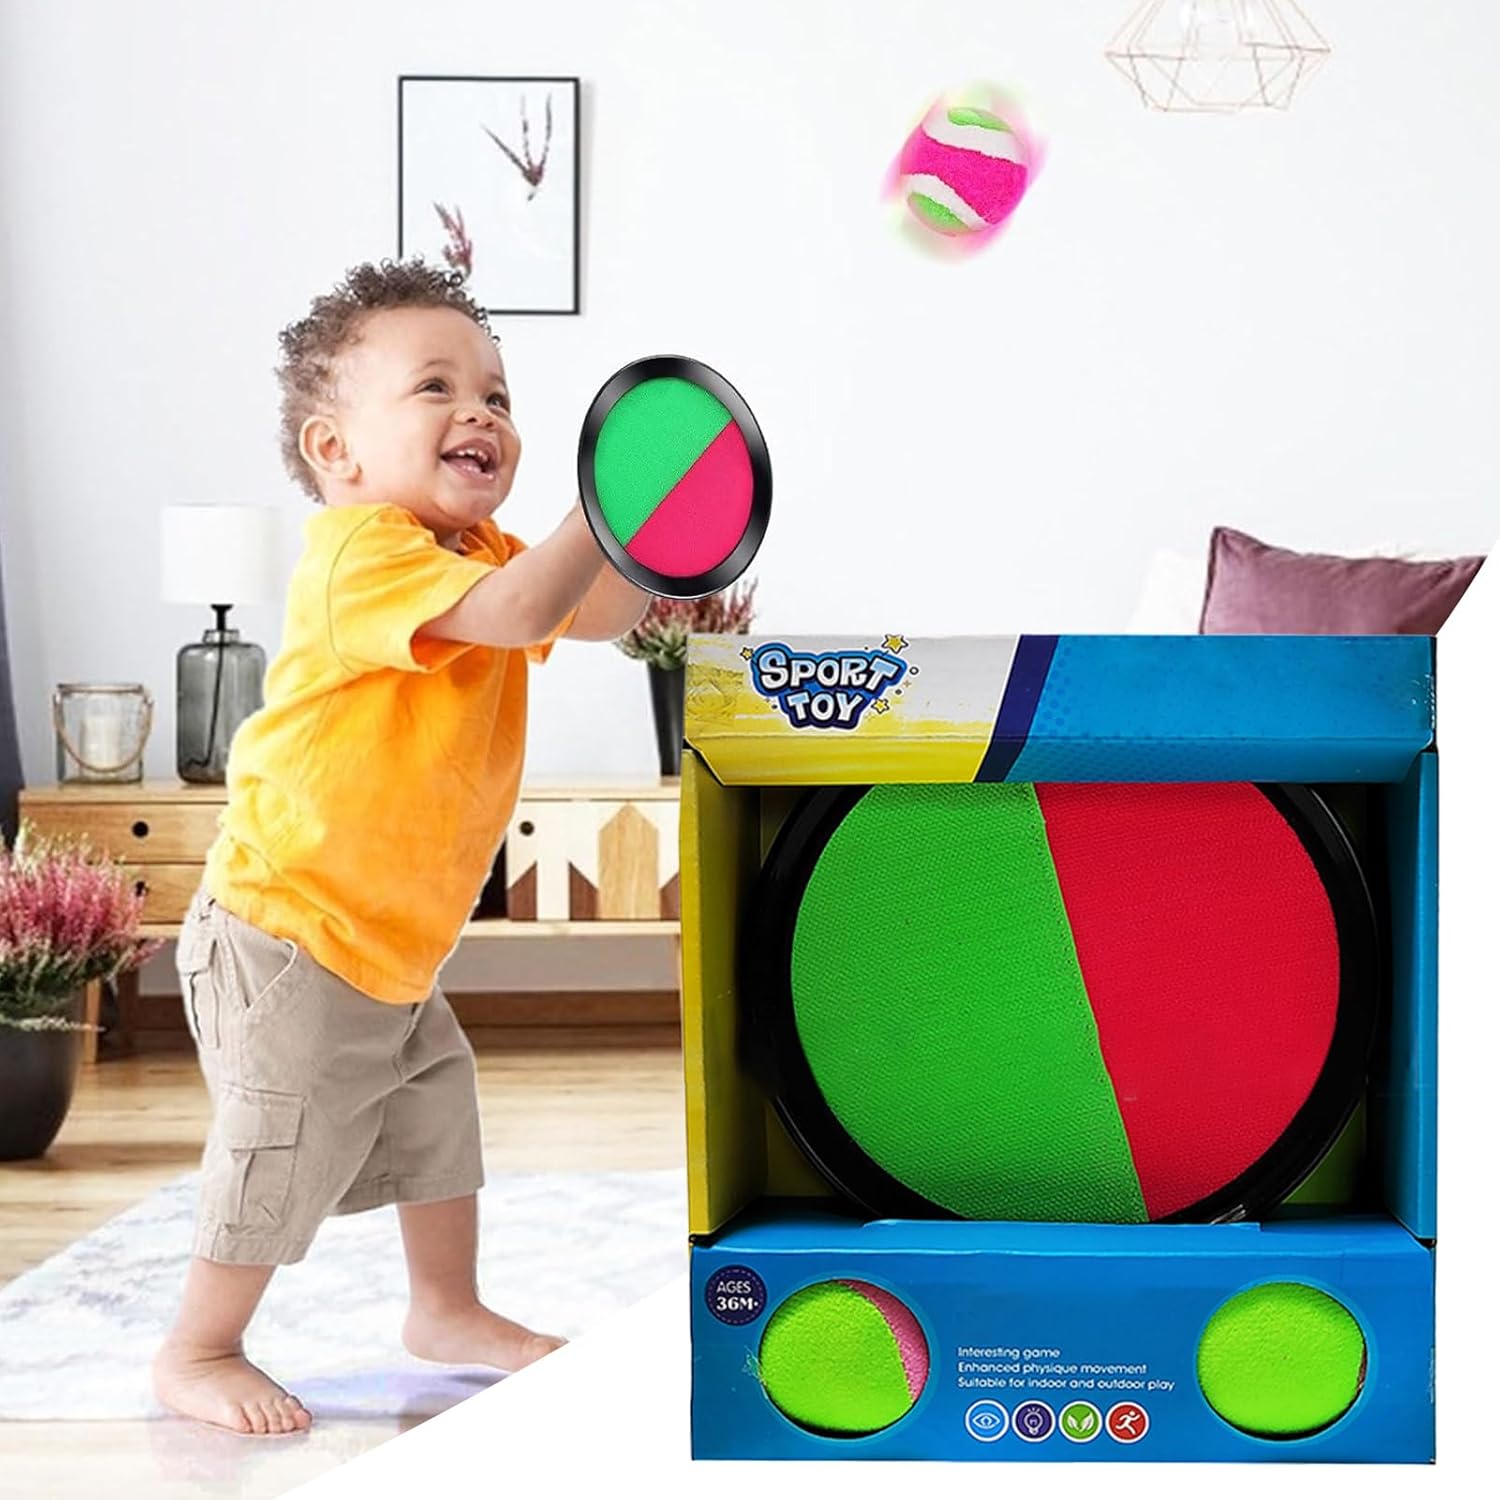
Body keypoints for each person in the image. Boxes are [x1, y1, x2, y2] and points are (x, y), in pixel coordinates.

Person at [152, 260, 649, 1435]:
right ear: (337, 450)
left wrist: (650, 526)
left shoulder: (480, 552)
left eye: (498, 395)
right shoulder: (360, 551)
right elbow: (530, 610)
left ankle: (446, 1310)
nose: (481, 412)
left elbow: (598, 611)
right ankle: (198, 1345)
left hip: (387, 946)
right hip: (287, 933)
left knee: (436, 1110)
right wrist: (598, 501)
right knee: (280, 1142)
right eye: (437, 387)